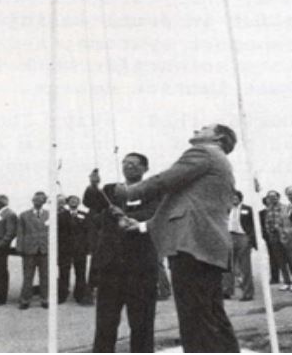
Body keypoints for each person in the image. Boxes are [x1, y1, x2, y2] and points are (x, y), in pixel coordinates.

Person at [119, 124, 240, 353]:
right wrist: (144, 226)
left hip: (193, 246)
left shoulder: (203, 152)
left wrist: (126, 191)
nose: (196, 130)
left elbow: (164, 181)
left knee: (194, 317)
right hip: (205, 245)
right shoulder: (218, 161)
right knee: (210, 314)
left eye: (204, 128)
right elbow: (184, 205)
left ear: (218, 137)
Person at [92, 153, 160, 353]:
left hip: (141, 268)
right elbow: (93, 204)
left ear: (145, 168)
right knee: (105, 322)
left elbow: (155, 214)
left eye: (134, 164)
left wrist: (127, 216)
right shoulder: (111, 189)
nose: (128, 166)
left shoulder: (154, 190)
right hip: (110, 267)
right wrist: (93, 185)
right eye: (125, 163)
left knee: (142, 323)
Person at [260, 190, 292, 291]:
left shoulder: (285, 208)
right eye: (270, 197)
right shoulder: (268, 209)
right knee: (280, 260)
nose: (272, 199)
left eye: (274, 196)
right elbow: (266, 223)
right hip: (273, 237)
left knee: (291, 260)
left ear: (278, 197)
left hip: (285, 236)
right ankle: (286, 281)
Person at [17, 191, 49, 309]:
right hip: (29, 250)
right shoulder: (24, 215)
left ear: (44, 201)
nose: (37, 202)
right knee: (28, 276)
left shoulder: (49, 215)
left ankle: (45, 299)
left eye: (40, 200)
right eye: (35, 199)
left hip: (45, 250)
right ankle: (25, 300)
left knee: (45, 276)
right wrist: (19, 248)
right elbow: (20, 233)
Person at [223, 190, 256, 301]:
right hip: (229, 236)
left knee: (245, 266)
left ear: (240, 198)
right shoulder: (226, 209)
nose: (234, 200)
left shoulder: (248, 209)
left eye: (235, 198)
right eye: (231, 198)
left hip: (243, 237)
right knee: (228, 265)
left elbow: (253, 225)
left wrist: (251, 239)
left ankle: (247, 293)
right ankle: (227, 290)